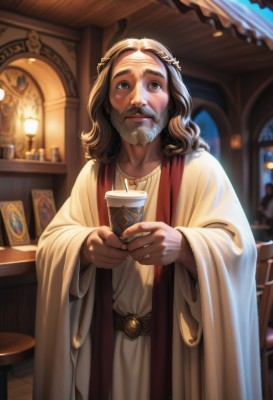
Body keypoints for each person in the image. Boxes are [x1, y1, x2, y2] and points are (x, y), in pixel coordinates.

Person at [33, 38, 262, 400]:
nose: (138, 98)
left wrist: (185, 246)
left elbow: (239, 250)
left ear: (171, 100)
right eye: (123, 84)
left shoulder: (201, 170)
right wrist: (84, 247)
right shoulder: (93, 174)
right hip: (104, 350)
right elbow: (51, 243)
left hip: (178, 357)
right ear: (107, 104)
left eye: (154, 84)